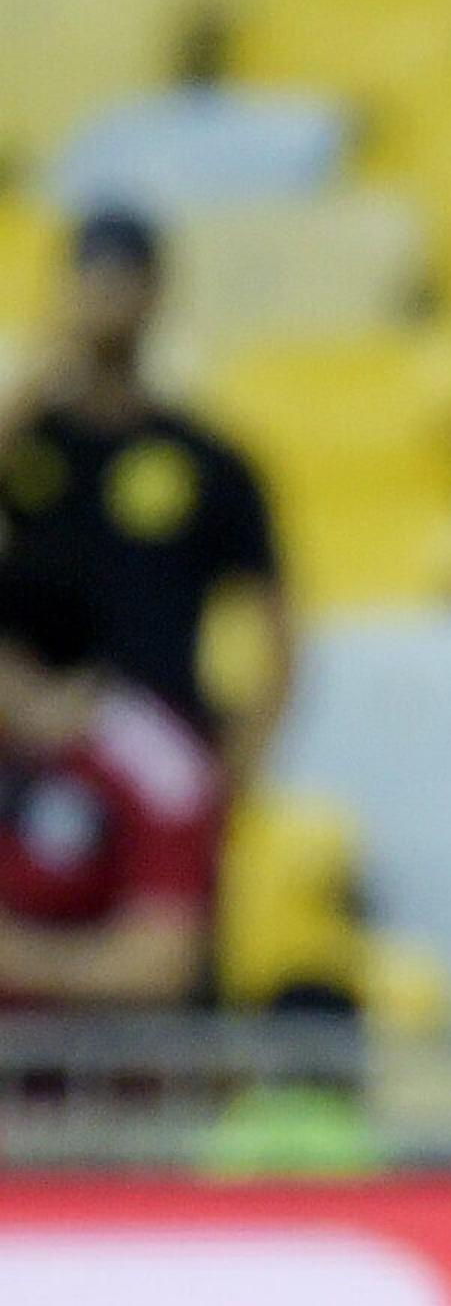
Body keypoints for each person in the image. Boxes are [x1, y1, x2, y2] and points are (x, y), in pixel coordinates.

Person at [0, 212, 291, 778]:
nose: (106, 295)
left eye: (124, 276)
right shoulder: (29, 443)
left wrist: (243, 758)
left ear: (158, 293)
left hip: (163, 739)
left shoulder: (207, 458)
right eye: (90, 277)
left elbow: (278, 624)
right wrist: (51, 357)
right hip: (38, 743)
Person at [0, 558, 220, 1012]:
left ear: (17, 660)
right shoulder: (14, 743)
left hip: (94, 1071)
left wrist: (21, 959)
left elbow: (160, 962)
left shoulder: (160, 768)